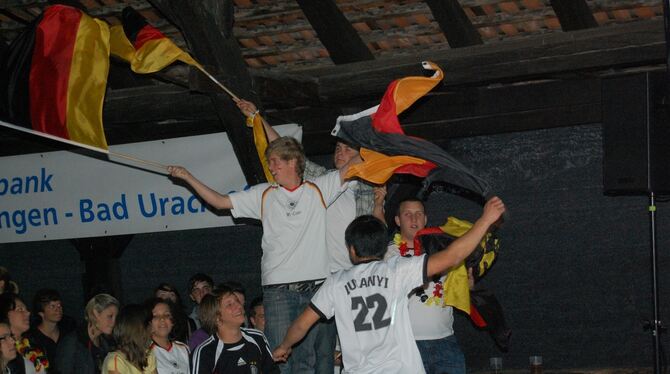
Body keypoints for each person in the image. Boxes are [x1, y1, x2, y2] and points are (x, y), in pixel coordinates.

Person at [168, 136, 356, 374]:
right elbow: (220, 201)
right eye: (270, 162)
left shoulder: (319, 188)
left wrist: (374, 132)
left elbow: (355, 162)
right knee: (279, 357)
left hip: (315, 288)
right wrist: (187, 177)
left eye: (275, 162)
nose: (271, 167)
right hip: (278, 291)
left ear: (292, 162)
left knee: (306, 360)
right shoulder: (264, 194)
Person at [272, 197, 505, 373]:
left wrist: (284, 345)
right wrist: (485, 220)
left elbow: (301, 325)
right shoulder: (396, 271)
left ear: (352, 250)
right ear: (383, 246)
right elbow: (453, 256)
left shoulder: (336, 282)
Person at [385, 198, 467, 373]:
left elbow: (460, 288)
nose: (414, 219)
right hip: (406, 345)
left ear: (426, 219)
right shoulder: (387, 254)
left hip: (445, 341)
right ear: (398, 220)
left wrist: (469, 283)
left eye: (419, 214)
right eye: (407, 214)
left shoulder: (442, 248)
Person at [190, 286, 277, 374]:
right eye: (229, 304)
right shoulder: (205, 352)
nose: (239, 306)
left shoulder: (257, 338)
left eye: (237, 301)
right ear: (217, 318)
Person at [55, 294, 119, 374]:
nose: (114, 322)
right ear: (96, 313)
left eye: (116, 317)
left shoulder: (107, 342)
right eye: (110, 316)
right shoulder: (71, 343)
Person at [27, 289, 76, 369]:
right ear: (41, 313)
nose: (58, 309)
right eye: (52, 306)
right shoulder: (33, 339)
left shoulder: (68, 330)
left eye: (59, 305)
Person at [0, 293, 48, 374]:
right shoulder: (5, 352)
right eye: (20, 309)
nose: (28, 313)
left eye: (26, 309)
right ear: (5, 313)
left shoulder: (34, 344)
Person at [102, 304, 156, 374]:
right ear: (139, 330)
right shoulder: (116, 361)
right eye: (149, 325)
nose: (152, 329)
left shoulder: (147, 355)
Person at [146, 298, 189, 374]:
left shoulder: (183, 349)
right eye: (156, 316)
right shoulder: (145, 352)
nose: (162, 319)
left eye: (166, 315)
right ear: (148, 322)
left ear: (173, 321)